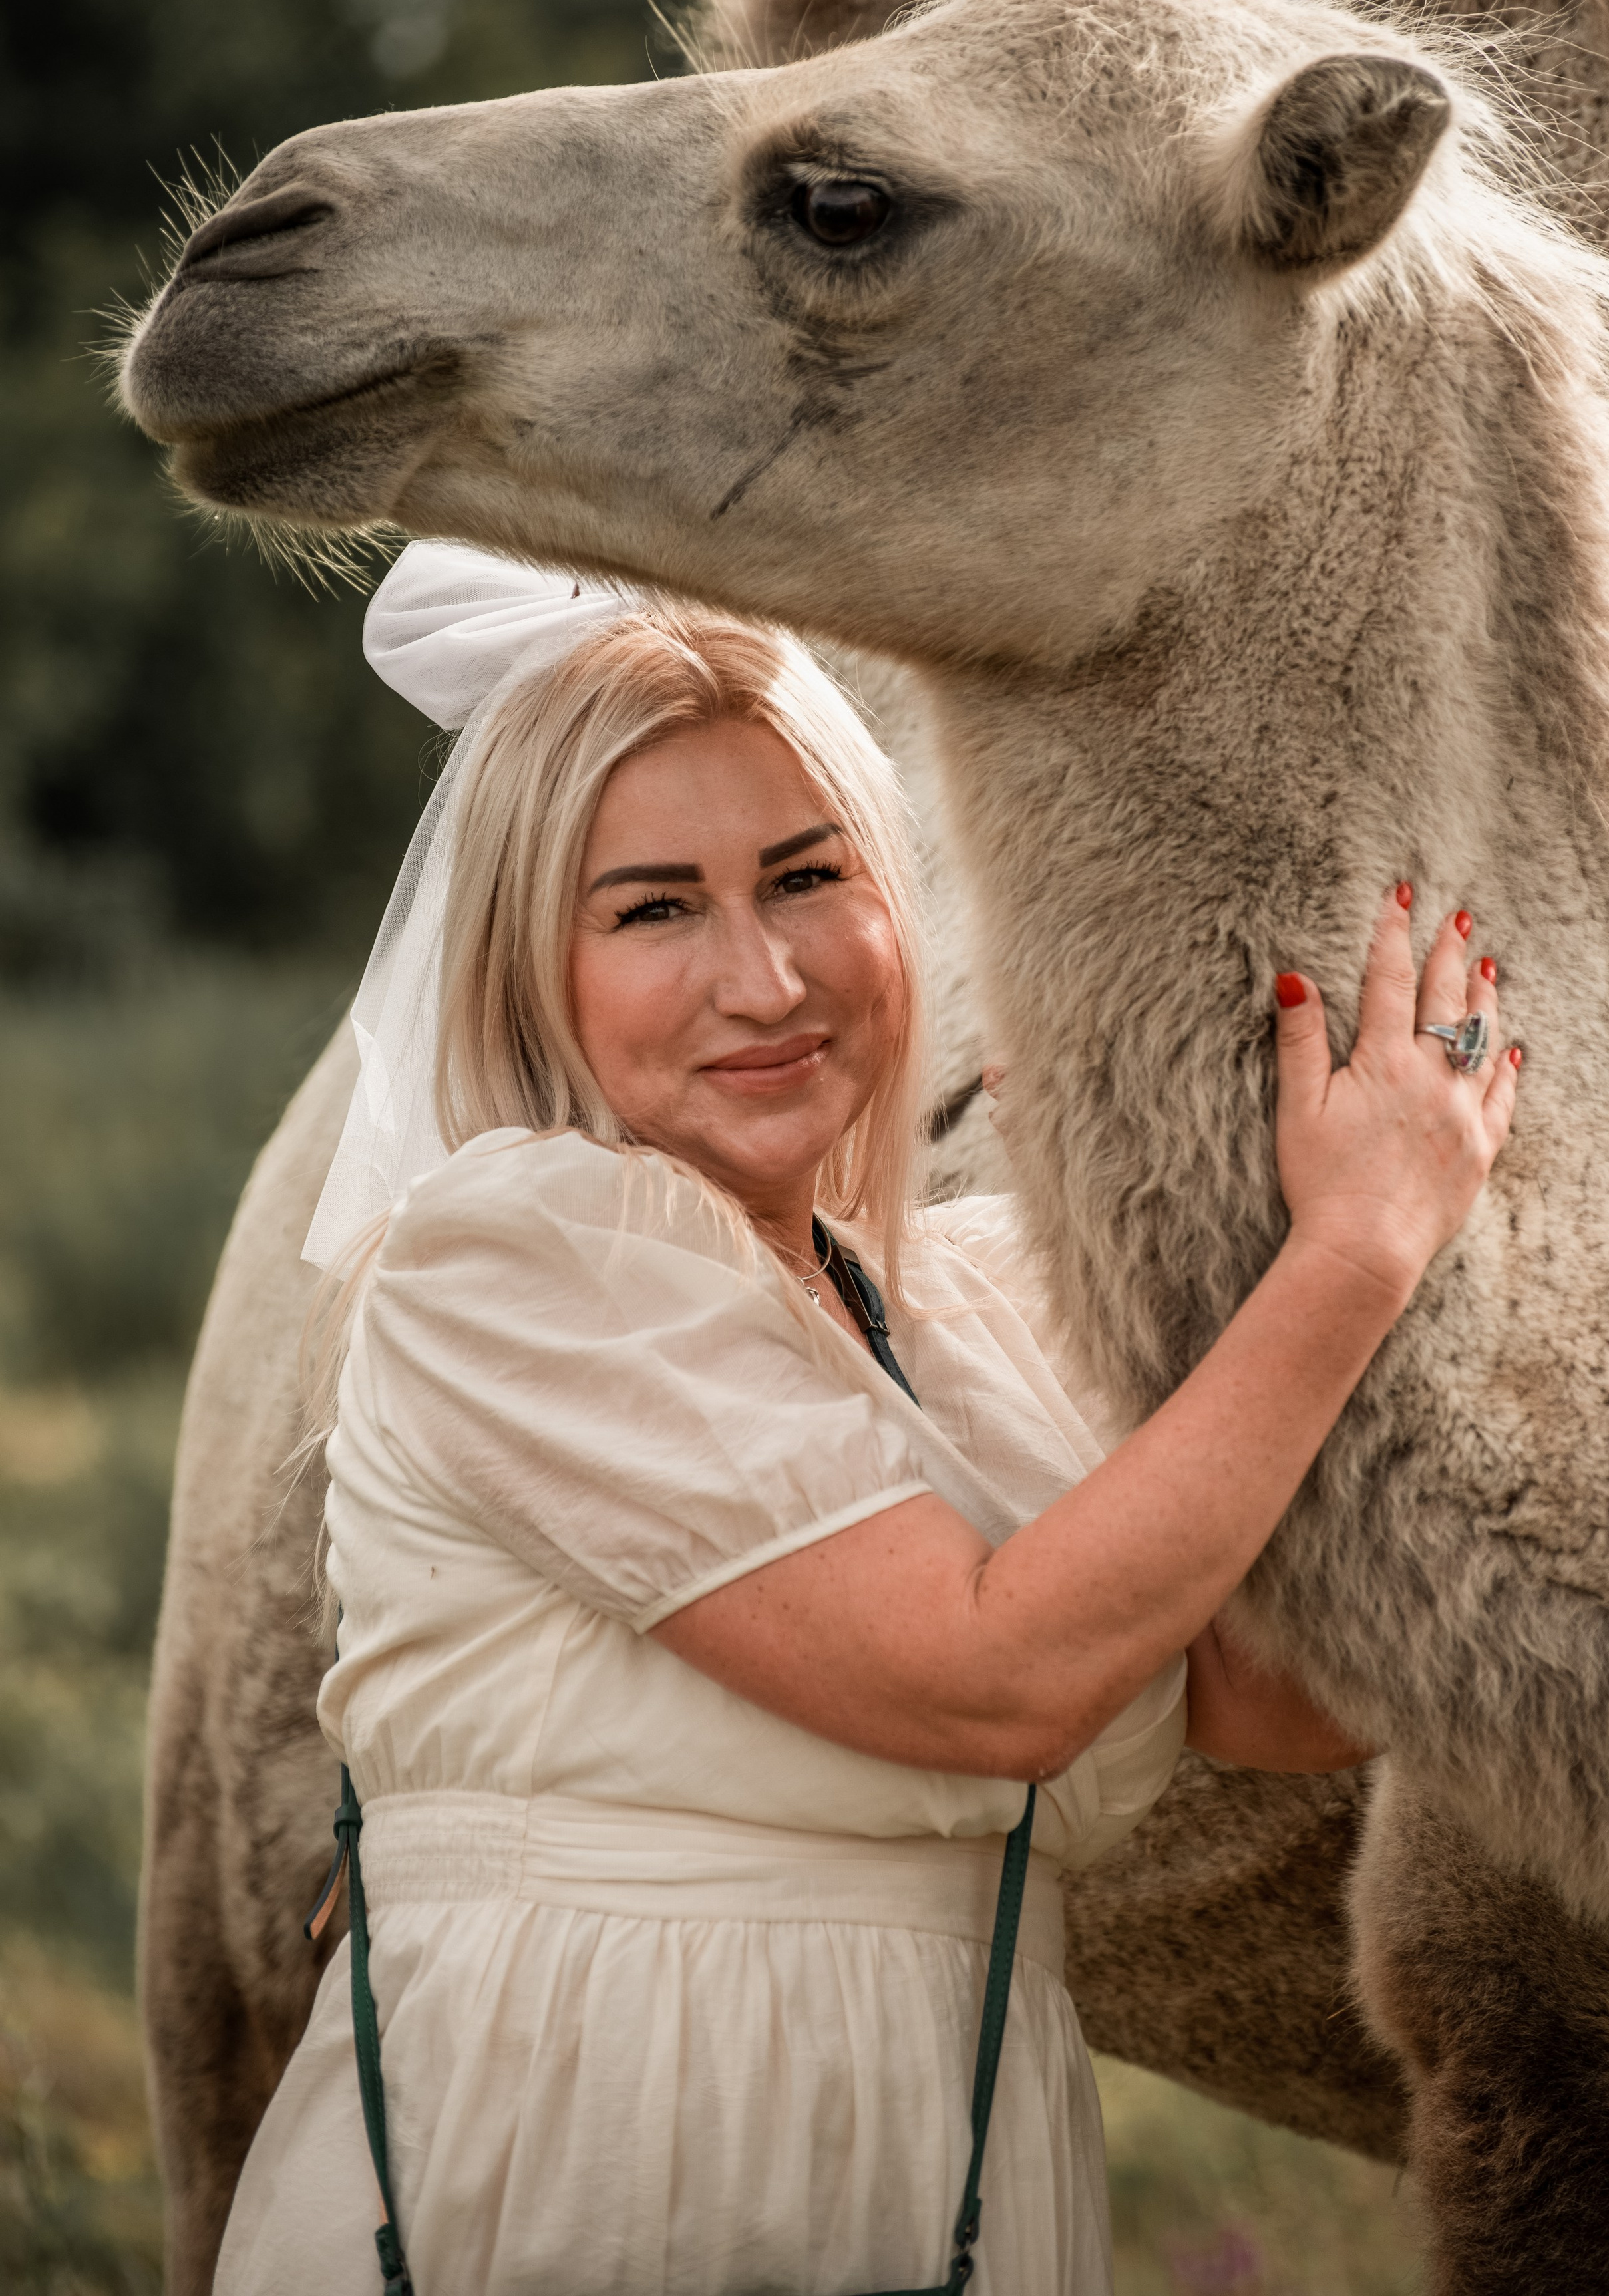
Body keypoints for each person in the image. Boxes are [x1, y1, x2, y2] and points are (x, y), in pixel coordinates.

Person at [214, 549, 1518, 2296]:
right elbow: (996, 1674)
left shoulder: (964, 1313)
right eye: (654, 907)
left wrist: (1318, 1245)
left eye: (808, 875)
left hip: (939, 2189)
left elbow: (1273, 1687)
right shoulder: (511, 1259)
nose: (761, 979)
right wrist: (1360, 1246)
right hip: (580, 2184)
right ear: (536, 968)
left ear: (901, 899)